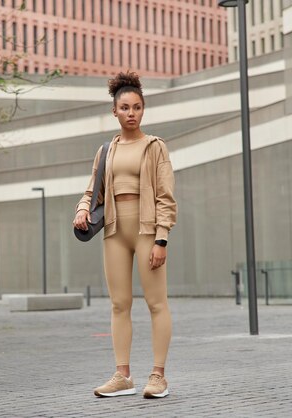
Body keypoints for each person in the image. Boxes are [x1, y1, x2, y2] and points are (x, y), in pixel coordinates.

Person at [73, 71, 177, 399]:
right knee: (119, 304)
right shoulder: (106, 150)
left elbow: (166, 197)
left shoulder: (155, 147)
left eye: (137, 107)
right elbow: (93, 191)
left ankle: (158, 376)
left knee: (156, 303)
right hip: (115, 231)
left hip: (147, 230)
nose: (131, 113)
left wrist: (161, 239)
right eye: (125, 108)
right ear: (114, 112)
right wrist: (81, 210)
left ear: (143, 110)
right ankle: (123, 375)